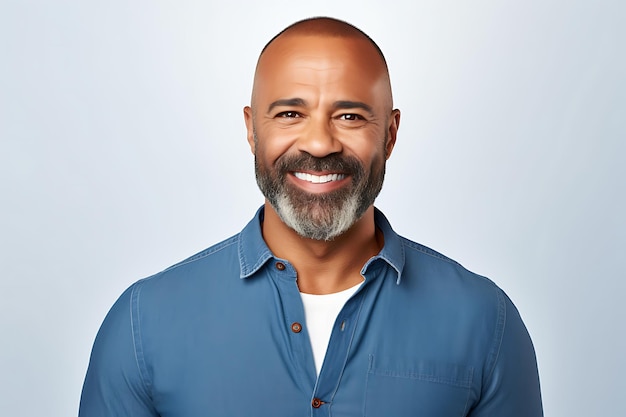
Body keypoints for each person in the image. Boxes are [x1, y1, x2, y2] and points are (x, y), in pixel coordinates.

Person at [79, 17, 543, 416]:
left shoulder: (485, 322)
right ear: (250, 129)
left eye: (350, 117)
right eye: (289, 114)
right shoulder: (144, 324)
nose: (319, 144)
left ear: (391, 134)